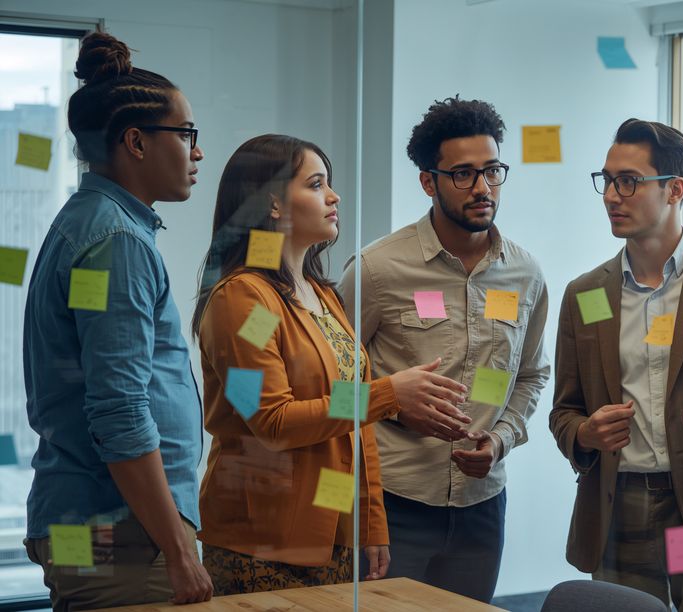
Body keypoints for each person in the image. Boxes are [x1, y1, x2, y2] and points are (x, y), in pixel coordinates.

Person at [192, 134, 469, 594]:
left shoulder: (321, 294)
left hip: (331, 534)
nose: (334, 196)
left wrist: (371, 522)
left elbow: (354, 425)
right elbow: (272, 421)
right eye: (317, 184)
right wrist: (387, 395)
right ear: (274, 205)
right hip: (262, 539)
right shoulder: (245, 301)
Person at [21, 32, 213, 609]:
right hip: (127, 540)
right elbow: (120, 411)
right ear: (135, 141)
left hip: (105, 531)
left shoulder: (93, 223)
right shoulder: (116, 242)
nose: (197, 152)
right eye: (186, 135)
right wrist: (178, 550)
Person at [338, 96, 550, 602]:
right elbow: (327, 391)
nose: (482, 188)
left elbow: (531, 376)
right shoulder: (377, 270)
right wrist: (389, 400)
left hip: (483, 504)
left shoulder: (526, 273)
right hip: (392, 503)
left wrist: (500, 439)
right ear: (428, 181)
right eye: (463, 174)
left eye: (492, 171)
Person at [549, 118, 683, 611]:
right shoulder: (586, 294)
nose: (612, 195)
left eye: (628, 181)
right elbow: (563, 411)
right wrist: (585, 434)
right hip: (619, 504)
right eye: (607, 181)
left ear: (676, 189)